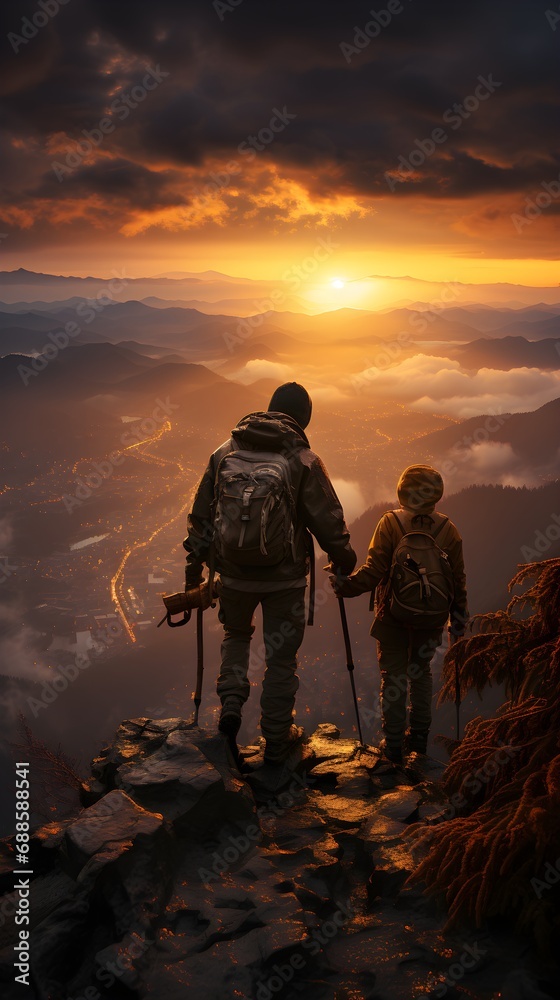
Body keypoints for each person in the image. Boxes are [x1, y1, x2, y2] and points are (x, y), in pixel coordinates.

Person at [183, 382, 356, 764]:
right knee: (280, 659)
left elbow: (200, 519)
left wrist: (193, 571)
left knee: (236, 635)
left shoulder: (224, 452)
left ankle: (230, 701)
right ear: (304, 417)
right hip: (285, 580)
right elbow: (328, 521)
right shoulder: (305, 459)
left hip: (232, 575)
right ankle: (277, 740)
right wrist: (345, 559)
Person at [331, 464, 468, 765]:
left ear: (402, 491)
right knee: (421, 674)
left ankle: (392, 746)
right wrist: (457, 622)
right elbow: (457, 580)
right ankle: (418, 741)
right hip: (432, 618)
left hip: (392, 615)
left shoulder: (390, 523)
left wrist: (345, 586)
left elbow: (374, 571)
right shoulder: (448, 528)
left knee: (393, 678)